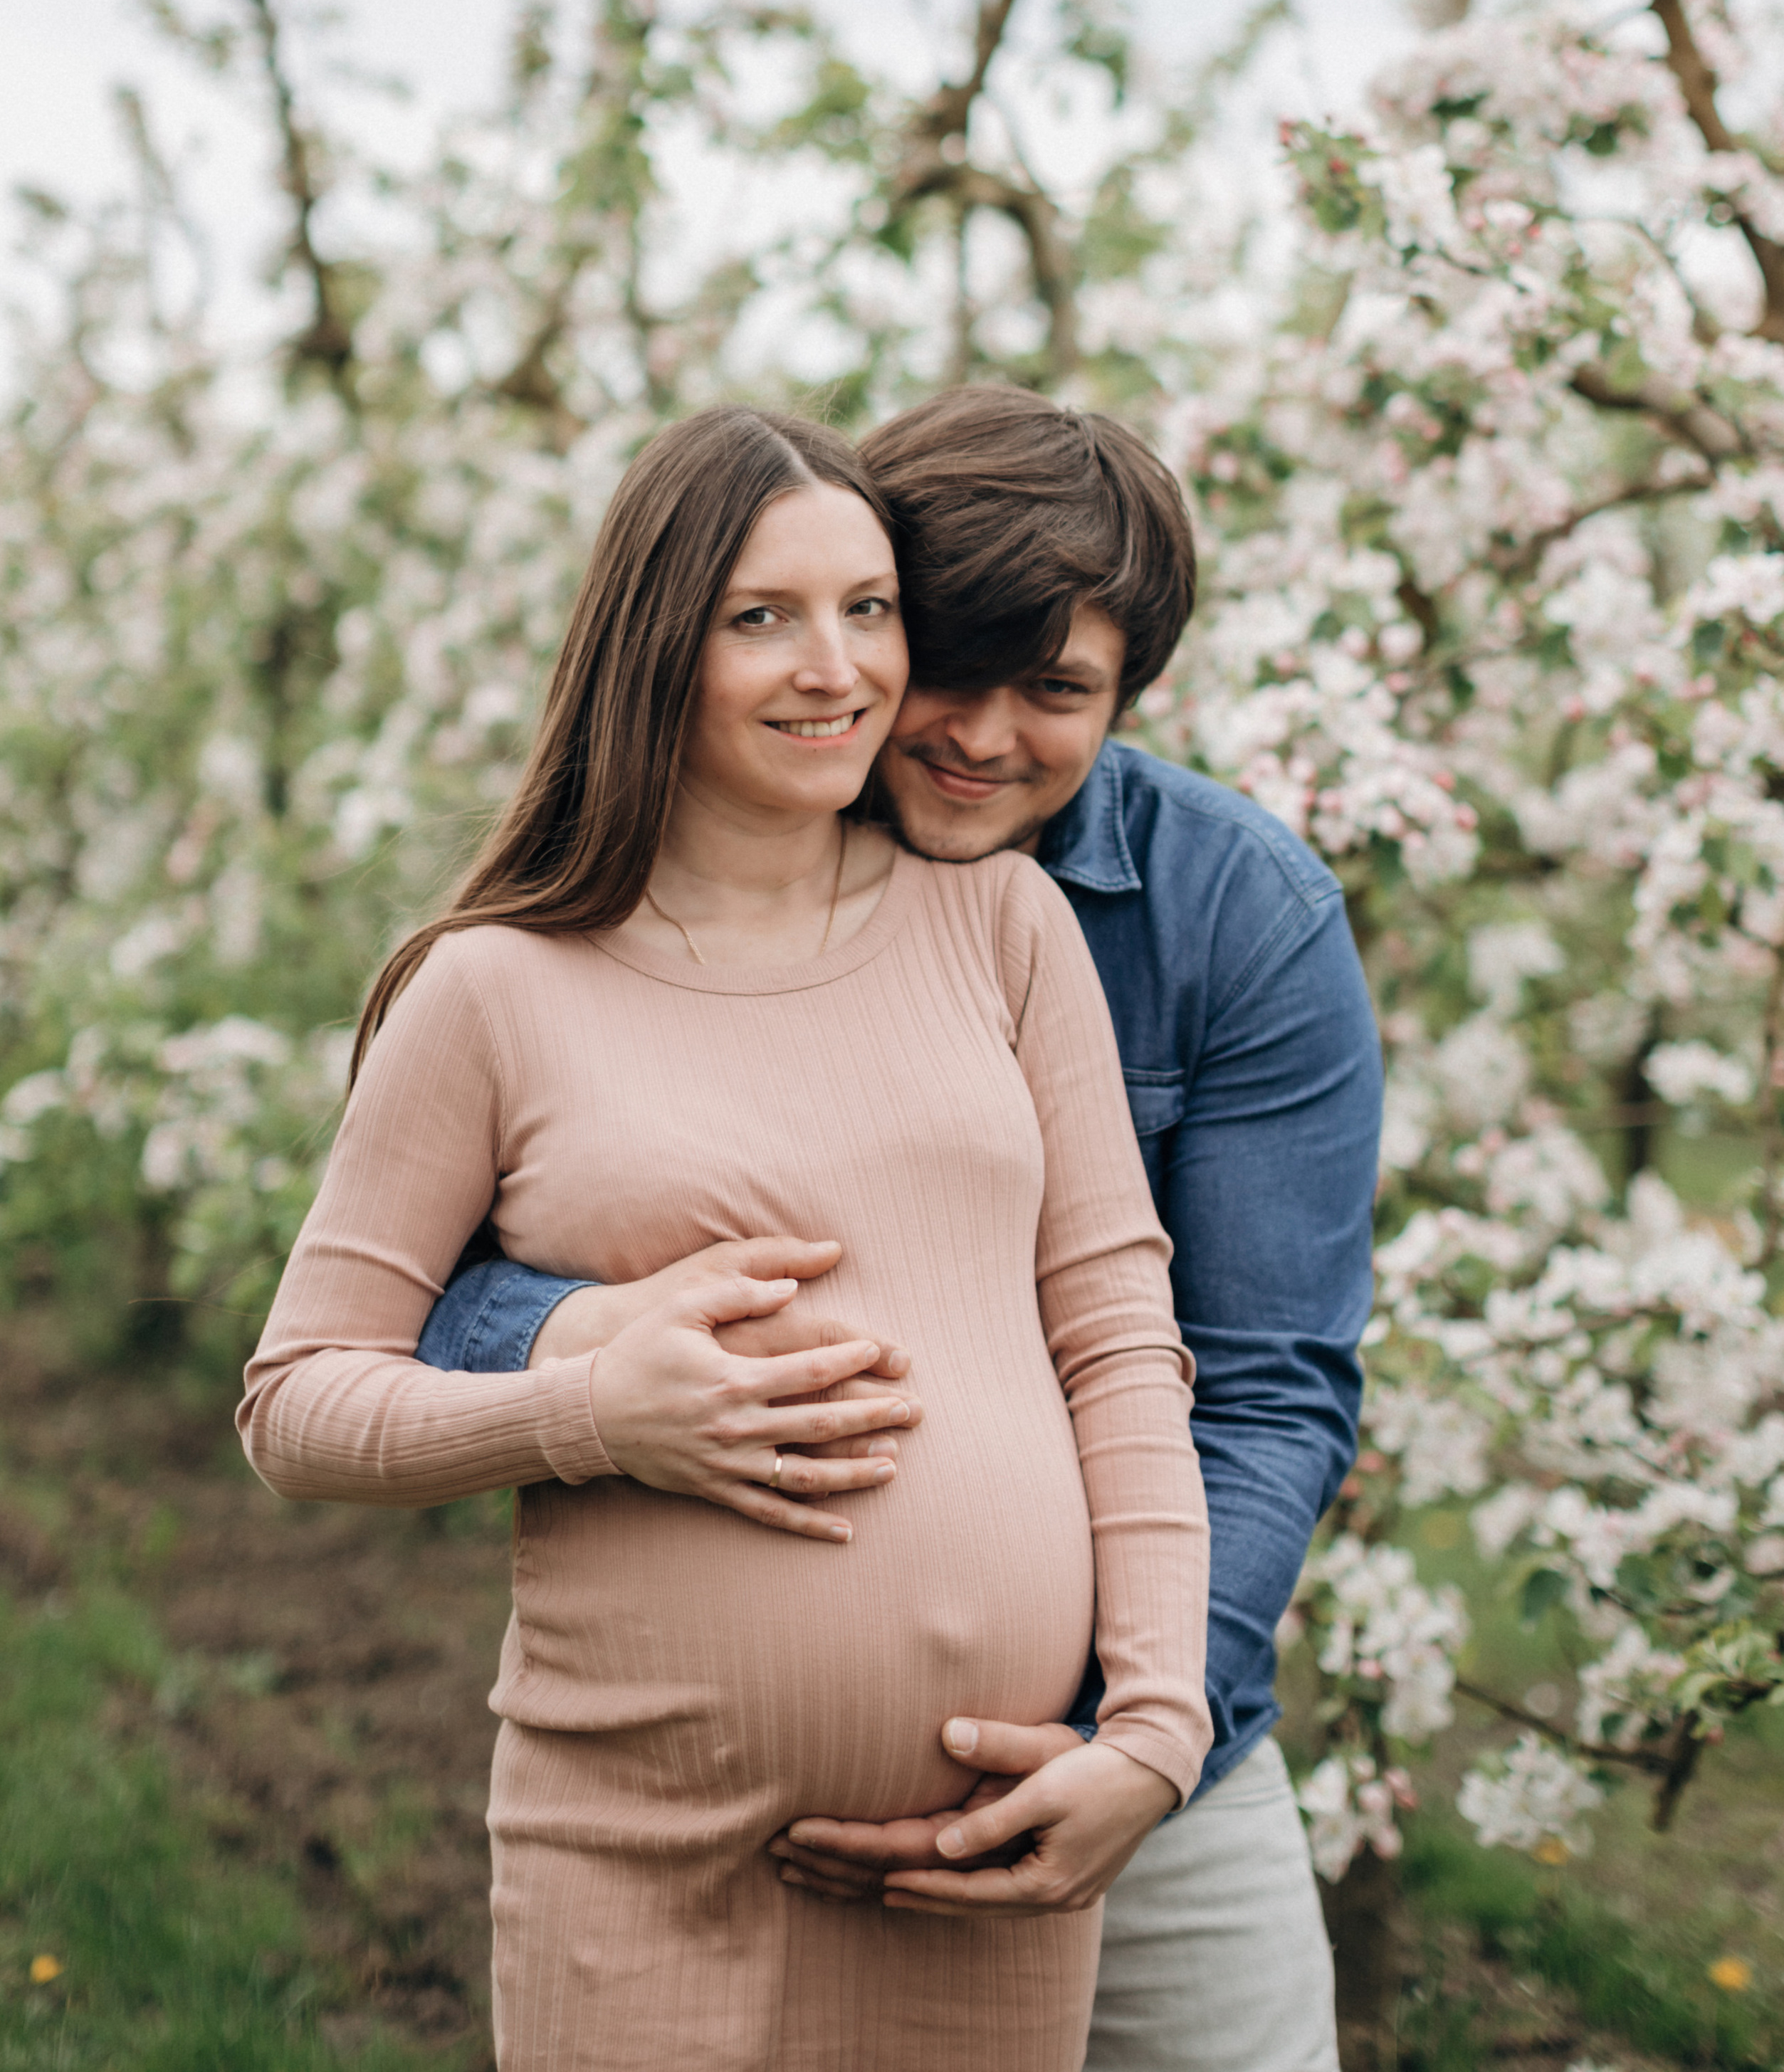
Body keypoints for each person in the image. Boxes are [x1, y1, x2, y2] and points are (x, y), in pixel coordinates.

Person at [421, 386, 1383, 2072]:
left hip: (1129, 1746)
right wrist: (582, 1349)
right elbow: (418, 1295)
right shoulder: (710, 861)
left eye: (1058, 692)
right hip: (701, 1789)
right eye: (947, 661)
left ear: (1126, 696)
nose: (980, 735)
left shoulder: (1238, 913)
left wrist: (1136, 1742)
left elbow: (1259, 1385)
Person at [240, 406, 1213, 2072]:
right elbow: (297, 1405)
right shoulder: (496, 986)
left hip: (981, 1845)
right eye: (759, 617)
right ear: (653, 648)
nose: (832, 667)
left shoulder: (1000, 923)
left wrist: (1149, 1730)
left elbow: (1116, 1342)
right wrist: (586, 1415)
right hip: (643, 1853)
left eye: (867, 608)